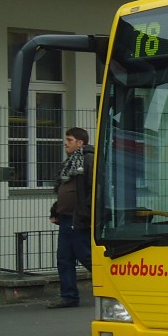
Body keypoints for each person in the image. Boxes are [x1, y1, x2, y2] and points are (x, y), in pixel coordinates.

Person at [47, 127, 93, 309]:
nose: (65, 143)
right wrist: (56, 210)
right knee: (64, 258)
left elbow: (91, 190)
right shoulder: (71, 162)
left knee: (86, 256)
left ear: (80, 143)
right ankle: (69, 296)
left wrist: (85, 214)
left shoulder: (87, 160)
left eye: (69, 140)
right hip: (66, 218)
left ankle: (115, 289)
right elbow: (66, 190)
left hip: (78, 219)